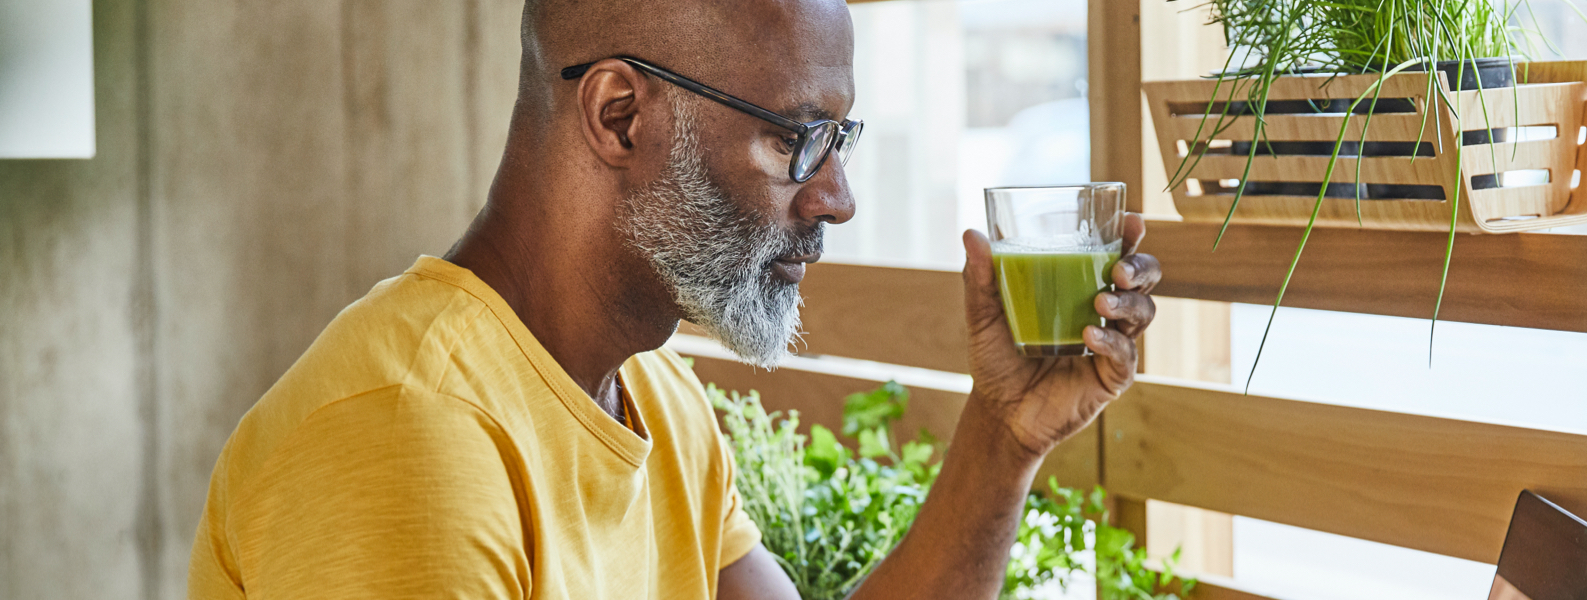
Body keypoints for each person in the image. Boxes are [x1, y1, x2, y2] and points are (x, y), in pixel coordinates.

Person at [185, 0, 1161, 597]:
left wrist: (1005, 434)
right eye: (797, 139)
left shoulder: (657, 397)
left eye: (841, 141)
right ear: (620, 115)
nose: (838, 198)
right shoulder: (407, 439)